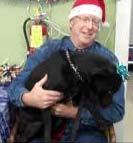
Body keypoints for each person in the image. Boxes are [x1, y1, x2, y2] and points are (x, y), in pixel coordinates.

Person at [8, 0, 125, 142]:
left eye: (95, 22)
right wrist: (29, 98)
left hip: (86, 132)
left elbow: (117, 111)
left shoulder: (108, 60)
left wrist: (76, 113)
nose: (90, 26)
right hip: (43, 129)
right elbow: (14, 87)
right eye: (84, 19)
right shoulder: (48, 50)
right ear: (71, 22)